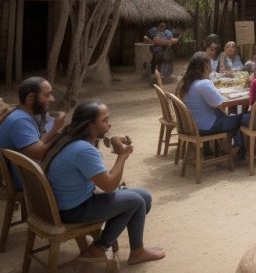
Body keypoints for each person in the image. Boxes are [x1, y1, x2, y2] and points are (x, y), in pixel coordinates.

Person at [41, 100, 165, 265]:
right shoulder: (83, 149)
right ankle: (100, 248)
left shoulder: (69, 137)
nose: (109, 124)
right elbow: (109, 186)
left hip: (66, 203)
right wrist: (122, 155)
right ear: (90, 124)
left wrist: (110, 141)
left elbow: (99, 176)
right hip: (73, 210)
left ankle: (135, 250)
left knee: (144, 197)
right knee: (135, 201)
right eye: (104, 120)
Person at [0, 77, 66, 187]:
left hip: (28, 171)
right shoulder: (20, 121)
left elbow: (40, 139)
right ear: (30, 98)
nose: (52, 99)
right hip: (26, 179)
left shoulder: (26, 113)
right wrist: (56, 128)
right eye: (47, 95)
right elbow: (38, 154)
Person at [177, 52, 241, 151]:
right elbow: (220, 104)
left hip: (193, 126)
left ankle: (222, 146)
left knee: (229, 117)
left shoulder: (187, 83)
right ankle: (237, 150)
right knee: (242, 119)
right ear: (205, 66)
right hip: (206, 127)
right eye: (210, 64)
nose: (211, 68)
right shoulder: (203, 84)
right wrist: (225, 116)